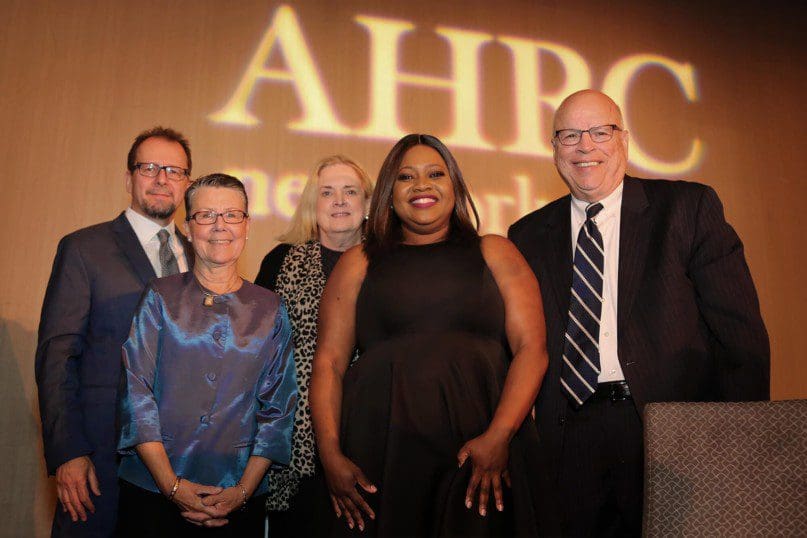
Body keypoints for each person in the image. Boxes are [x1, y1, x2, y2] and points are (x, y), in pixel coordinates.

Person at [508, 89, 770, 537]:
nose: (585, 146)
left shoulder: (687, 209)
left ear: (624, 140)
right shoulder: (527, 233)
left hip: (673, 433)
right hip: (569, 436)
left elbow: (740, 335)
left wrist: (738, 441)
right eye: (569, 135)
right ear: (553, 149)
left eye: (599, 132)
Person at [311, 134, 558, 536]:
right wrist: (330, 451)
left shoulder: (495, 251)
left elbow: (533, 349)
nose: (421, 184)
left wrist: (499, 436)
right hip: (382, 455)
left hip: (482, 456)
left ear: (455, 187)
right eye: (406, 176)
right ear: (389, 194)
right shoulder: (359, 261)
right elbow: (330, 362)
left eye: (435, 174)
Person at [116, 173, 298, 536]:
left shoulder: (270, 308)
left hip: (236, 497)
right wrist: (173, 486)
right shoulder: (159, 296)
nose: (220, 226)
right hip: (152, 491)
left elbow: (278, 411)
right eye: (206, 215)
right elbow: (137, 395)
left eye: (231, 215)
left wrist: (242, 491)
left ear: (246, 225)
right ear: (188, 226)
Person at [35, 126, 193, 537]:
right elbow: (57, 357)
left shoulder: (203, 258)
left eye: (175, 171)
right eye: (149, 167)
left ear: (187, 184)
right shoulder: (84, 249)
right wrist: (70, 452)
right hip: (99, 460)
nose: (162, 179)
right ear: (128, 179)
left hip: (181, 467)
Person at [254, 155, 373, 537]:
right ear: (313, 204)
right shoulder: (280, 261)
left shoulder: (393, 263)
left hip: (371, 428)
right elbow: (257, 353)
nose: (339, 201)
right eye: (327, 192)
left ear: (368, 204)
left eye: (350, 191)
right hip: (293, 440)